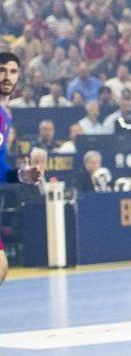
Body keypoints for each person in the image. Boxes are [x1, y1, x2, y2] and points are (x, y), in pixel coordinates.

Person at [0, 52, 45, 285]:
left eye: (13, 71)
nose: (7, 76)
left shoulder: (4, 118)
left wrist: (19, 175)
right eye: (2, 70)